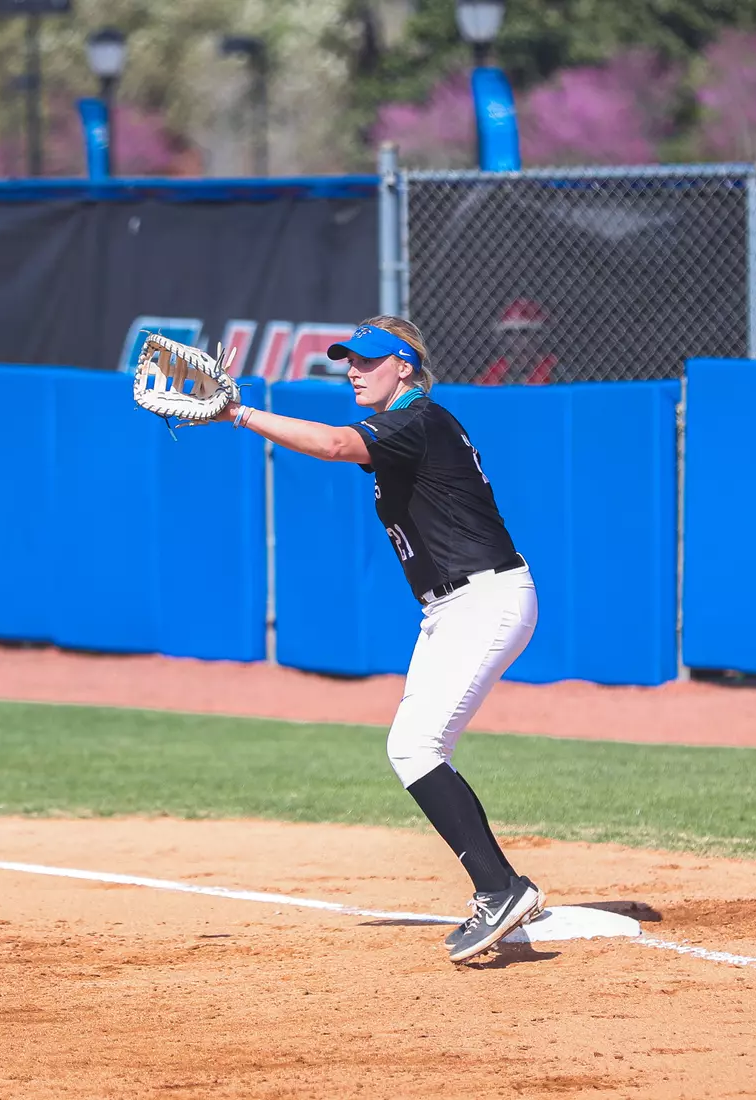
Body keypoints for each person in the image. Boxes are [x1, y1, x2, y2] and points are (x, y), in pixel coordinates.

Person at [216, 315, 545, 963]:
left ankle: (501, 888)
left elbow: (336, 445)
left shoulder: (418, 418)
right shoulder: (406, 427)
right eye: (348, 361)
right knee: (417, 747)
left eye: (368, 361)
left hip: (484, 598)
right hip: (454, 607)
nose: (353, 370)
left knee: (416, 746)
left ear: (406, 367)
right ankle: (498, 887)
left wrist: (237, 413)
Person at [476, 297, 554, 386]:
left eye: (524, 332)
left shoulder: (554, 370)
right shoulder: (496, 370)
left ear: (539, 335)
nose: (516, 339)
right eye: (510, 333)